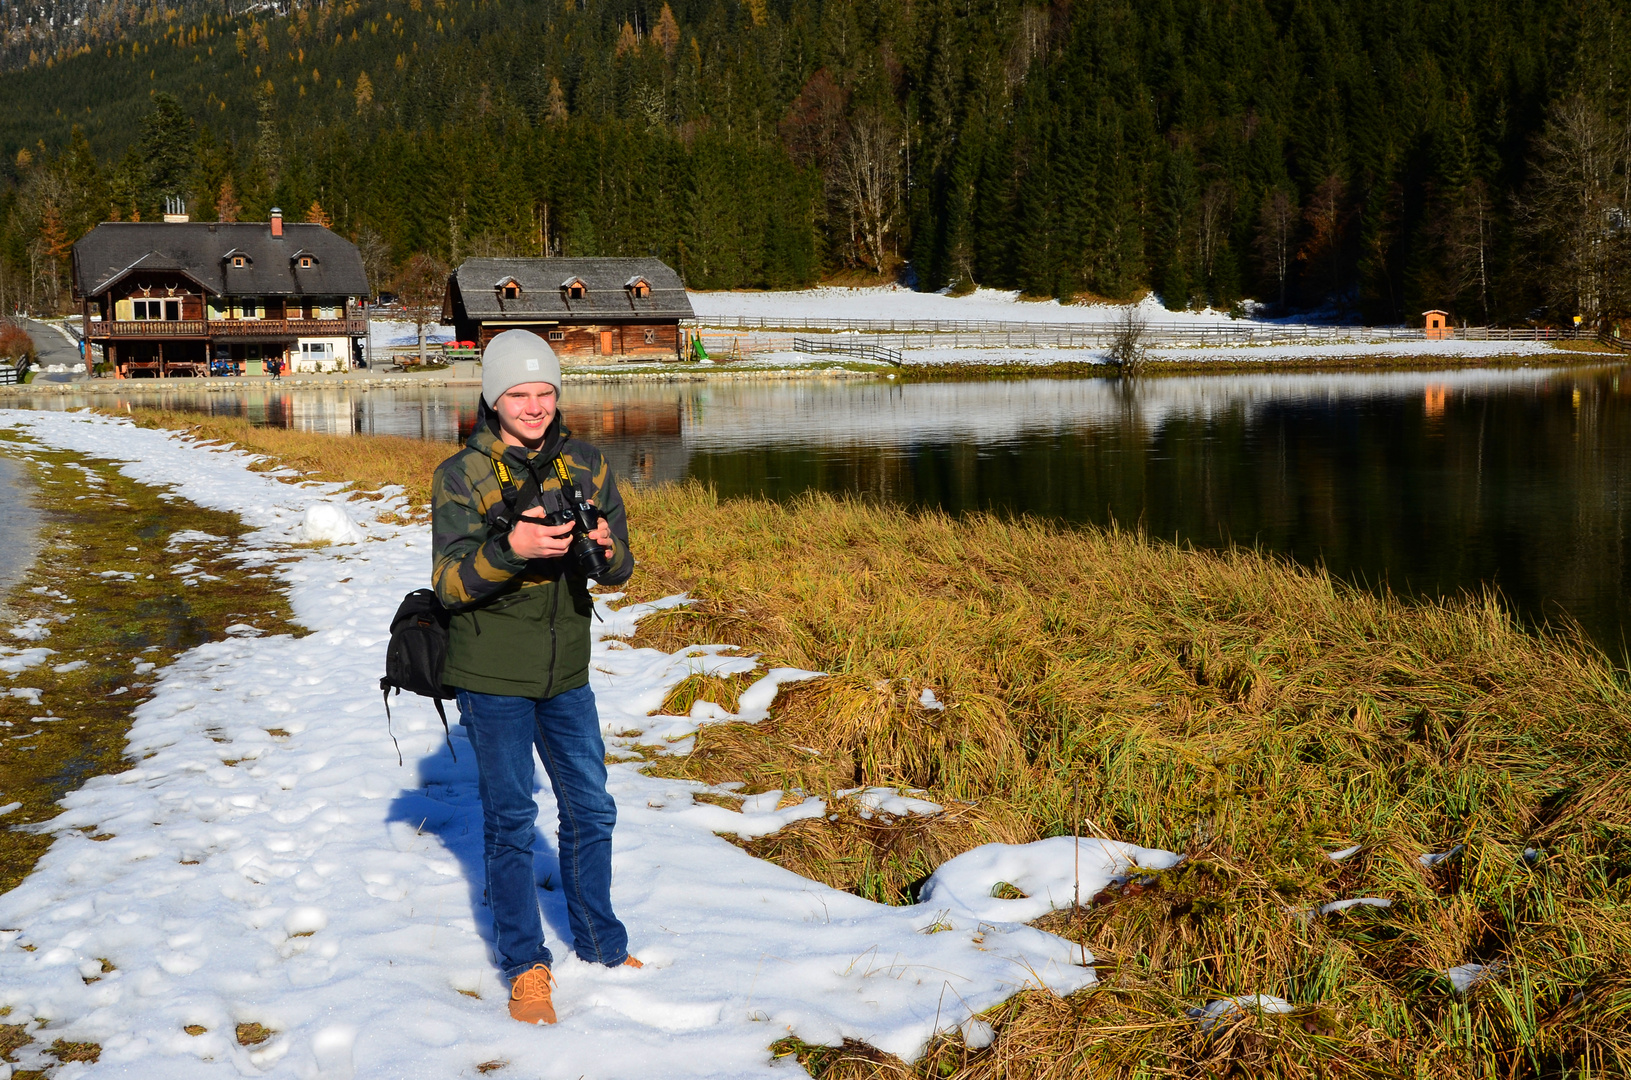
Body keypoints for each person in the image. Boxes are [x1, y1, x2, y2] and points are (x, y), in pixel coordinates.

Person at [430, 329, 639, 1025]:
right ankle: (525, 967)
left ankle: (602, 944)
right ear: (493, 398)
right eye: (518, 393)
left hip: (567, 671)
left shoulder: (586, 463)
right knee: (512, 821)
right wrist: (512, 549)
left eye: (544, 392)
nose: (534, 405)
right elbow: (450, 586)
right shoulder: (459, 475)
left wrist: (604, 552)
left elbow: (620, 566)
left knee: (591, 809)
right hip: (492, 675)